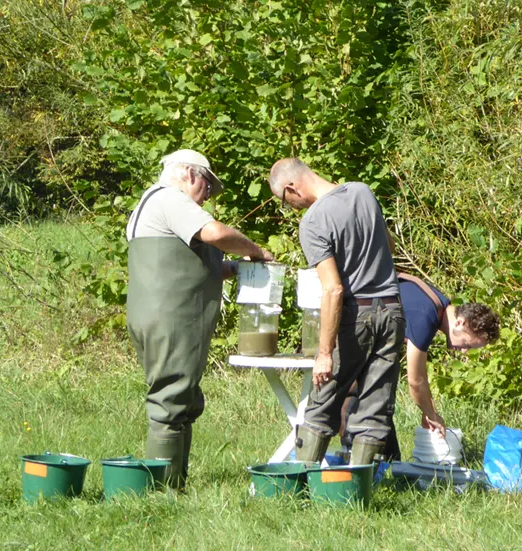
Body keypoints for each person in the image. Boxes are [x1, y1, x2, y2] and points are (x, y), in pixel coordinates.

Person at [126, 149, 274, 489]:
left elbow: (192, 266)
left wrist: (237, 269)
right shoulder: (170, 199)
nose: (208, 195)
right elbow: (216, 234)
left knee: (184, 397)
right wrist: (255, 251)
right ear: (190, 175)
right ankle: (163, 489)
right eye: (208, 186)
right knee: (171, 399)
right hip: (173, 317)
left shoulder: (150, 205)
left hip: (159, 315)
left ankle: (176, 482)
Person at [268, 157, 405, 466]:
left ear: (292, 188)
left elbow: (333, 289)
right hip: (393, 310)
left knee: (323, 401)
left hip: (356, 315)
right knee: (376, 404)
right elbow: (390, 246)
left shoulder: (313, 221)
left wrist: (324, 353)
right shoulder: (362, 192)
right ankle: (359, 488)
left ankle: (300, 481)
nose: (290, 207)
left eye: (285, 200)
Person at [340, 272, 500, 460]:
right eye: (467, 344)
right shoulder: (426, 316)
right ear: (460, 322)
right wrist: (432, 414)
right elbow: (415, 380)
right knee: (358, 399)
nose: (463, 351)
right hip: (352, 325)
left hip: (366, 325)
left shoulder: (438, 302)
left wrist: (428, 409)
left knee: (382, 398)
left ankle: (390, 464)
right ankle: (354, 462)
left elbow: (420, 375)